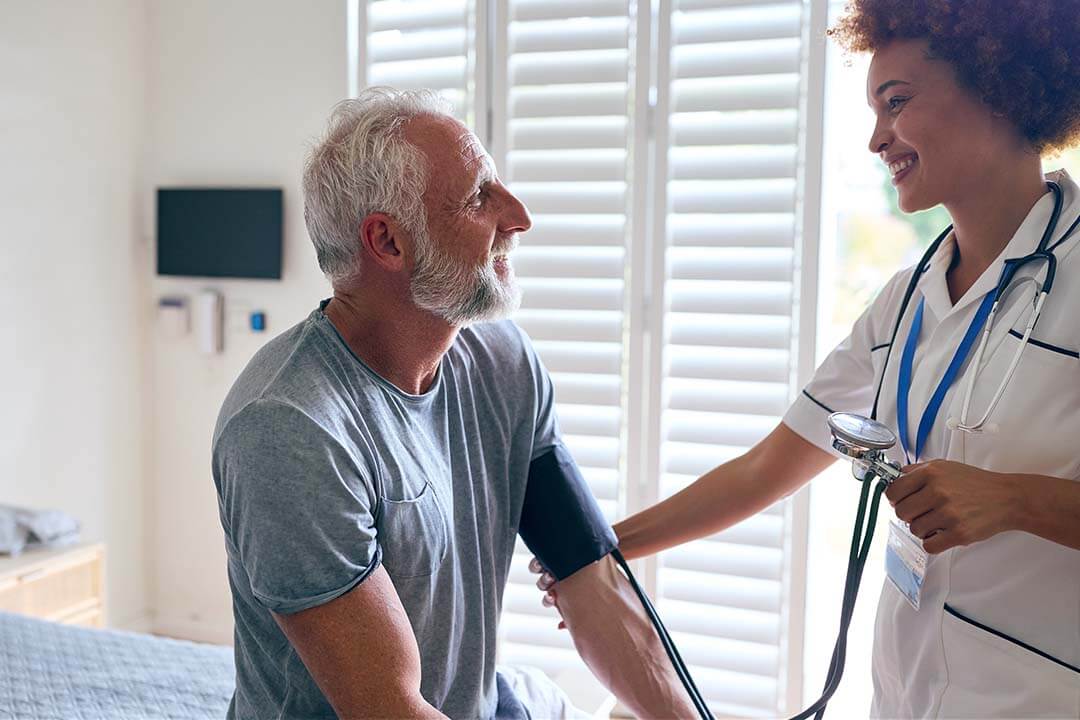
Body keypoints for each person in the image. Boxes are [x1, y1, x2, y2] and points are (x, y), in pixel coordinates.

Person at [535, 1, 1080, 716]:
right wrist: (602, 552)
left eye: (897, 103)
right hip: (906, 696)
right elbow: (767, 469)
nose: (876, 139)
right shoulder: (905, 301)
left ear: (996, 86)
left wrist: (1013, 499)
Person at [211, 87, 696, 720]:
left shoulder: (501, 359)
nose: (519, 216)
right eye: (478, 197)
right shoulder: (290, 430)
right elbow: (390, 709)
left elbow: (588, 575)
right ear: (387, 242)